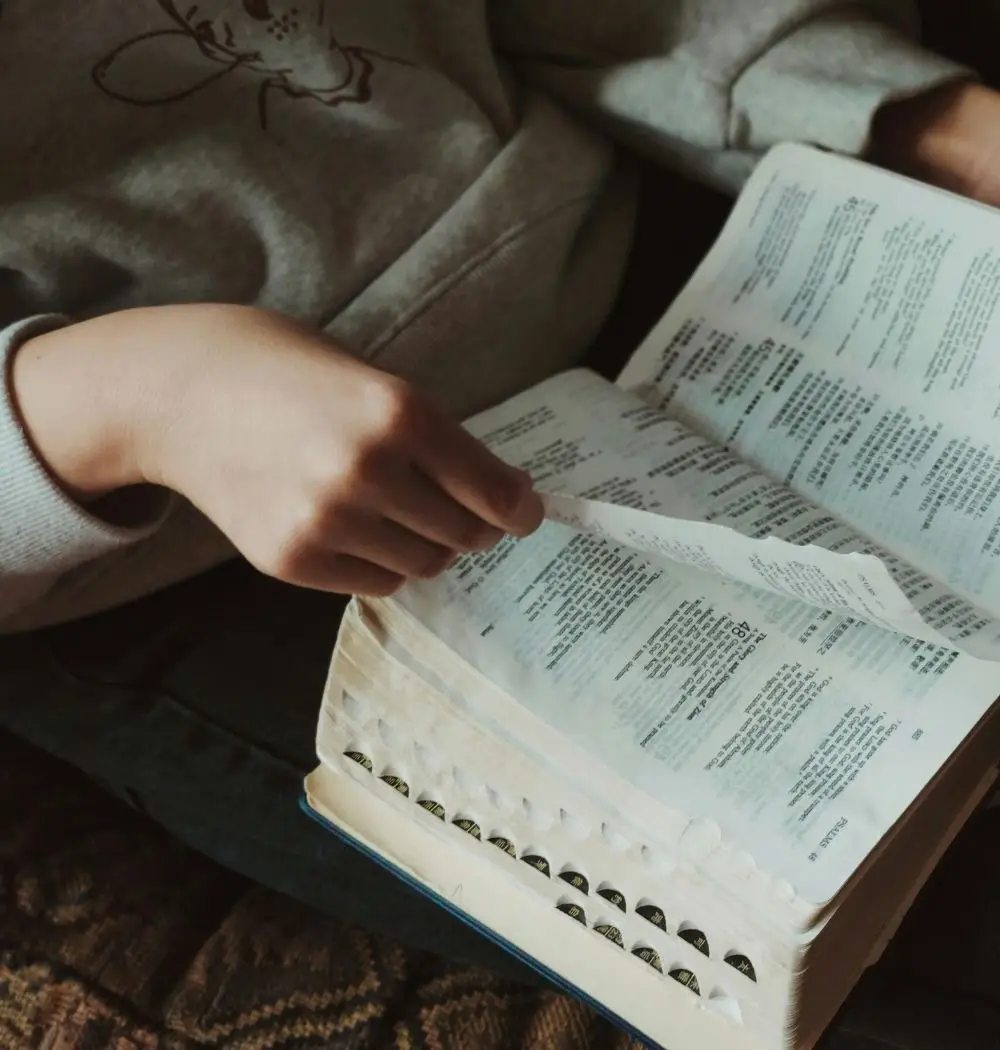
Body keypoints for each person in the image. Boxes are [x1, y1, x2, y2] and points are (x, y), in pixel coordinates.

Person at [3, 2, 1000, 1044]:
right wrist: (127, 402)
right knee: (881, 901)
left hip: (590, 194)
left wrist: (919, 119)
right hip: (170, 530)